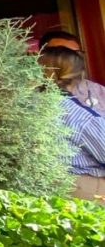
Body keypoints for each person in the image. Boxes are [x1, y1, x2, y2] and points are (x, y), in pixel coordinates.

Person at [37, 47, 105, 200]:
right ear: (80, 76)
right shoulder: (75, 112)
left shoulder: (25, 105)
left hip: (40, 187)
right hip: (80, 187)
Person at [39, 28, 105, 108]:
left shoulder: (97, 90)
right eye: (62, 54)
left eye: (76, 54)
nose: (71, 60)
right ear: (42, 56)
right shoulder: (26, 93)